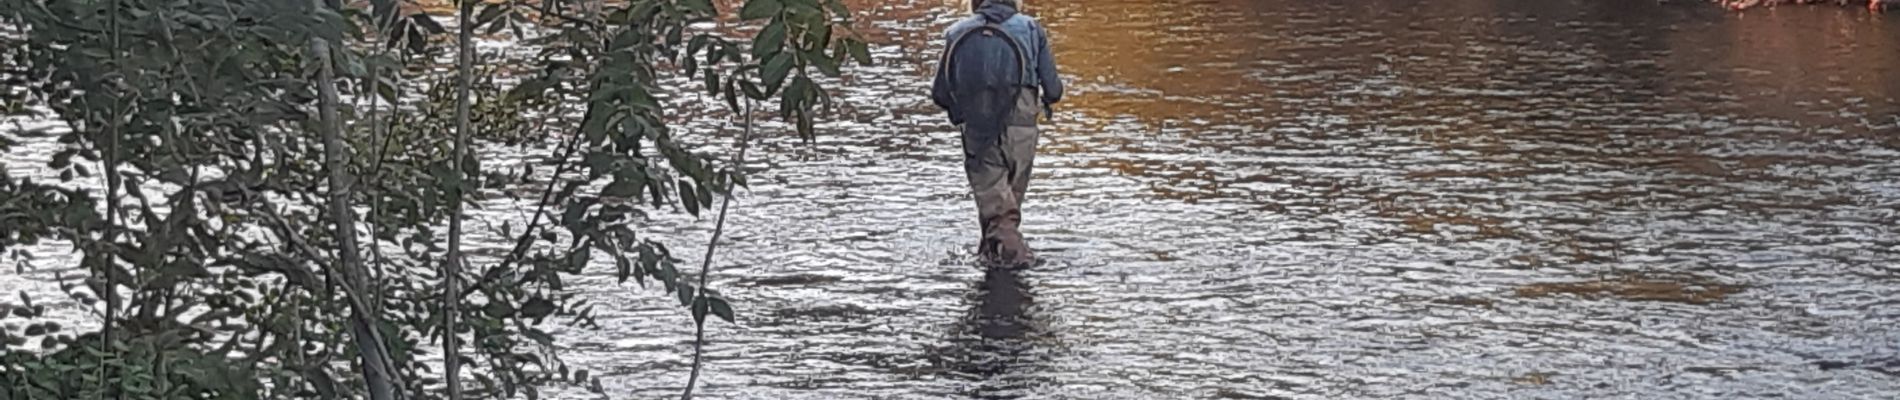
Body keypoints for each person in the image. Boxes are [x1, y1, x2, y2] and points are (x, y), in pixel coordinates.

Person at [931, 0, 1064, 267]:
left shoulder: (957, 32)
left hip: (978, 128)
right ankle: (1006, 271)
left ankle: (1012, 265)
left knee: (998, 211)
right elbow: (1054, 89)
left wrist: (963, 108)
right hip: (1022, 125)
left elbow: (940, 94)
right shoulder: (1030, 28)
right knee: (1006, 210)